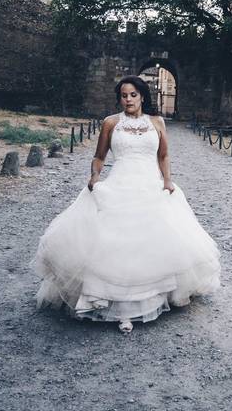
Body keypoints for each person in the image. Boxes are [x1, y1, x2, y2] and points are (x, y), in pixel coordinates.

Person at [31, 75, 221, 334]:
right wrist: (95, 176)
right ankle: (112, 302)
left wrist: (167, 181)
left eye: (133, 95)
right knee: (113, 242)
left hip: (150, 185)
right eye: (124, 95)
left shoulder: (157, 122)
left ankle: (152, 298)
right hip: (119, 183)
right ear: (119, 98)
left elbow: (163, 155)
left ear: (142, 96)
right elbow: (99, 156)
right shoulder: (111, 122)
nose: (128, 99)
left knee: (153, 241)